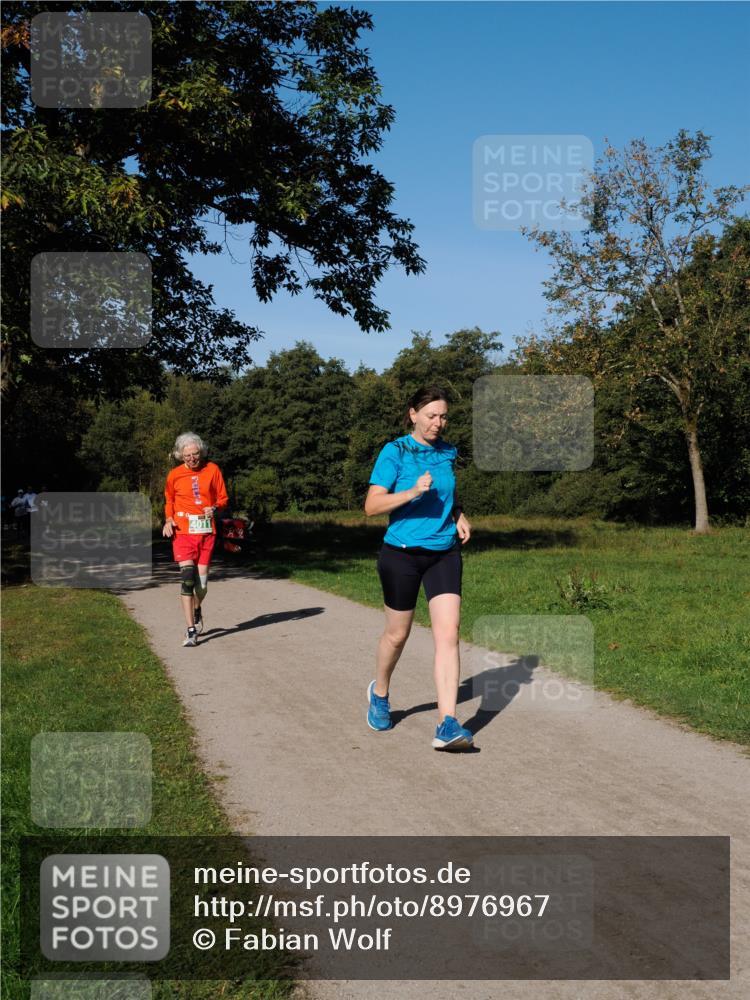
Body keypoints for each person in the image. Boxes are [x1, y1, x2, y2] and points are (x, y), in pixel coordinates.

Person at [364, 386, 473, 750]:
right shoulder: (394, 452)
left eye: (443, 416)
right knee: (398, 634)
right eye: (431, 416)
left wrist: (457, 513)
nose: (438, 423)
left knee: (448, 634)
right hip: (402, 554)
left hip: (444, 553)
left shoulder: (447, 452)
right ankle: (380, 693)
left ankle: (447, 723)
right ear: (413, 414)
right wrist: (411, 492)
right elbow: (372, 506)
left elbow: (447, 493)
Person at [163, 433, 228, 647]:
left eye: (195, 454)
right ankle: (191, 630)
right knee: (187, 578)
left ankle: (197, 608)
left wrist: (215, 508)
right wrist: (169, 519)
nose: (192, 458)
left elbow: (223, 498)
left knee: (202, 587)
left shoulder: (213, 470)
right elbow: (169, 500)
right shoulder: (174, 475)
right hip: (182, 531)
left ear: (202, 452)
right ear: (180, 456)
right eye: (187, 455)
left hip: (206, 531)